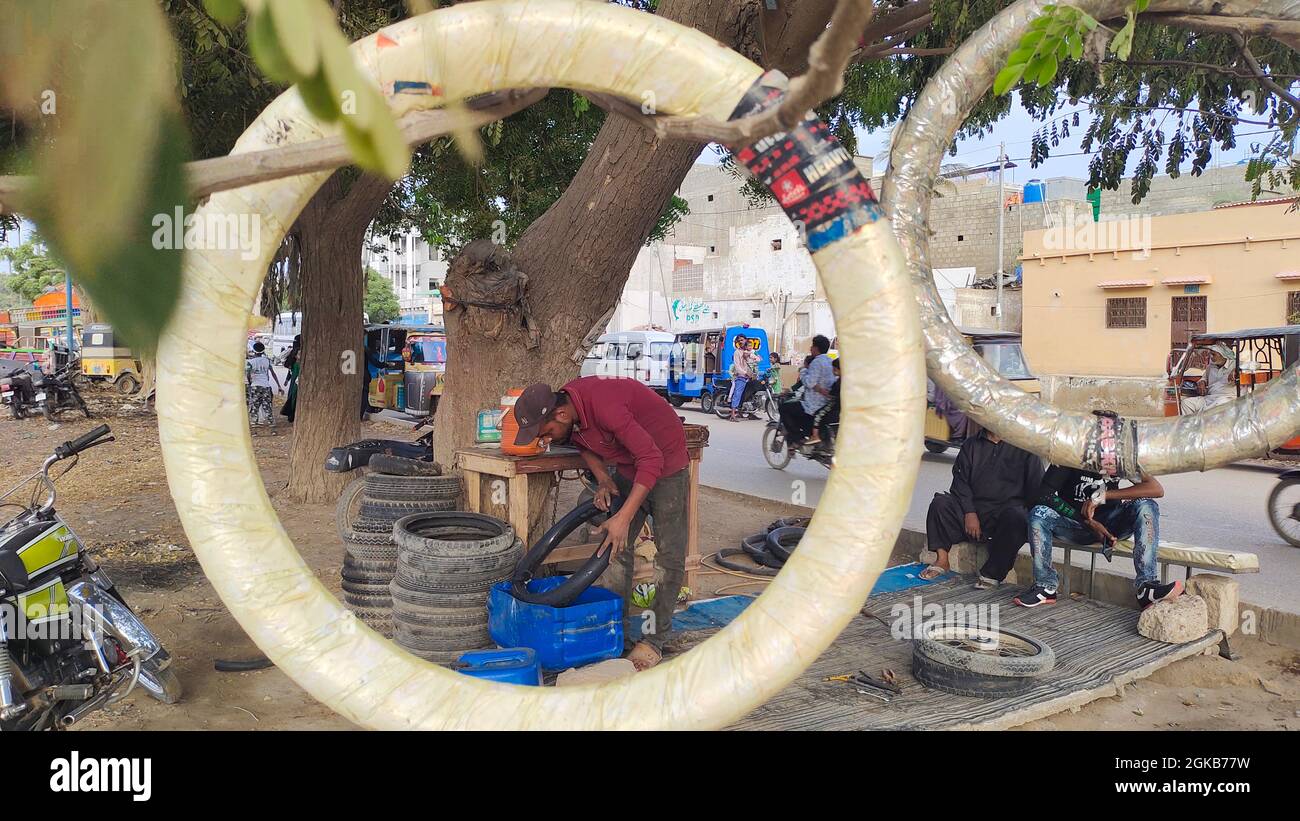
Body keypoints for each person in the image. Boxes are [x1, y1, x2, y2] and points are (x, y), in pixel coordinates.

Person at [512, 377, 689, 671]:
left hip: (665, 464)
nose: (546, 440)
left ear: (561, 415)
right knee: (614, 551)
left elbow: (651, 459)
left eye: (546, 433)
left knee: (669, 557)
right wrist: (604, 479)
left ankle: (654, 639)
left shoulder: (605, 405)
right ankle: (616, 632)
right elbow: (581, 444)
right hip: (630, 466)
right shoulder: (570, 413)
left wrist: (623, 517)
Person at [1014, 413, 1182, 609]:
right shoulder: (1071, 455)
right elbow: (1044, 495)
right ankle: (1045, 586)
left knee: (1147, 505)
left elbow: (1155, 489)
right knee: (1039, 513)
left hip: (1112, 524)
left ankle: (1147, 586)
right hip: (1076, 524)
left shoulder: (1121, 457)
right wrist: (1088, 521)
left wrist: (1104, 496)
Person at [922, 424, 1044, 586]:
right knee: (941, 504)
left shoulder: (1026, 448)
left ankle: (991, 574)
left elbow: (1036, 490)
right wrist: (969, 512)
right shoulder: (971, 445)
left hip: (1004, 516)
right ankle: (942, 559)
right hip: (973, 513)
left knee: (1018, 518)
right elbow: (960, 482)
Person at [778, 335, 834, 446]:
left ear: (816, 348)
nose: (810, 348)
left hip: (813, 404)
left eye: (812, 346)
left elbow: (809, 383)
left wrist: (803, 370)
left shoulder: (816, 362)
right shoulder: (830, 361)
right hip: (826, 402)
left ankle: (798, 438)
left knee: (783, 408)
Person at [1181, 343, 1235, 414]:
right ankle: (1192, 425)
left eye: (1214, 354)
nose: (1211, 357)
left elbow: (1251, 367)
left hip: (1226, 398)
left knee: (1221, 404)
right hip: (1209, 398)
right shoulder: (1210, 366)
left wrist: (1238, 370)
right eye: (1211, 354)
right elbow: (1204, 378)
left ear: (1223, 355)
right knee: (1186, 403)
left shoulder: (1235, 365)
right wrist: (1202, 382)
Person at [245, 342, 281, 431]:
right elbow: (273, 373)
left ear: (253, 351)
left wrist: (250, 383)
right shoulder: (267, 361)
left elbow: (248, 375)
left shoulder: (250, 362)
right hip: (266, 386)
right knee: (267, 406)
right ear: (263, 350)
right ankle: (273, 429)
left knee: (254, 407)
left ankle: (254, 430)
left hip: (255, 386)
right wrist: (279, 385)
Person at [810, 357, 841, 449]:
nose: (833, 370)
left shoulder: (839, 382)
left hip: (836, 407)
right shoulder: (847, 381)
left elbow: (832, 395)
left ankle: (815, 436)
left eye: (834, 369)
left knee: (818, 416)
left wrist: (820, 389)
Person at [280, 334, 302, 423]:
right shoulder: (296, 354)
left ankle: (292, 415)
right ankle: (292, 415)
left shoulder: (294, 354)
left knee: (293, 397)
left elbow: (289, 370)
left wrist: (287, 379)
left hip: (294, 381)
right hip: (296, 382)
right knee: (293, 398)